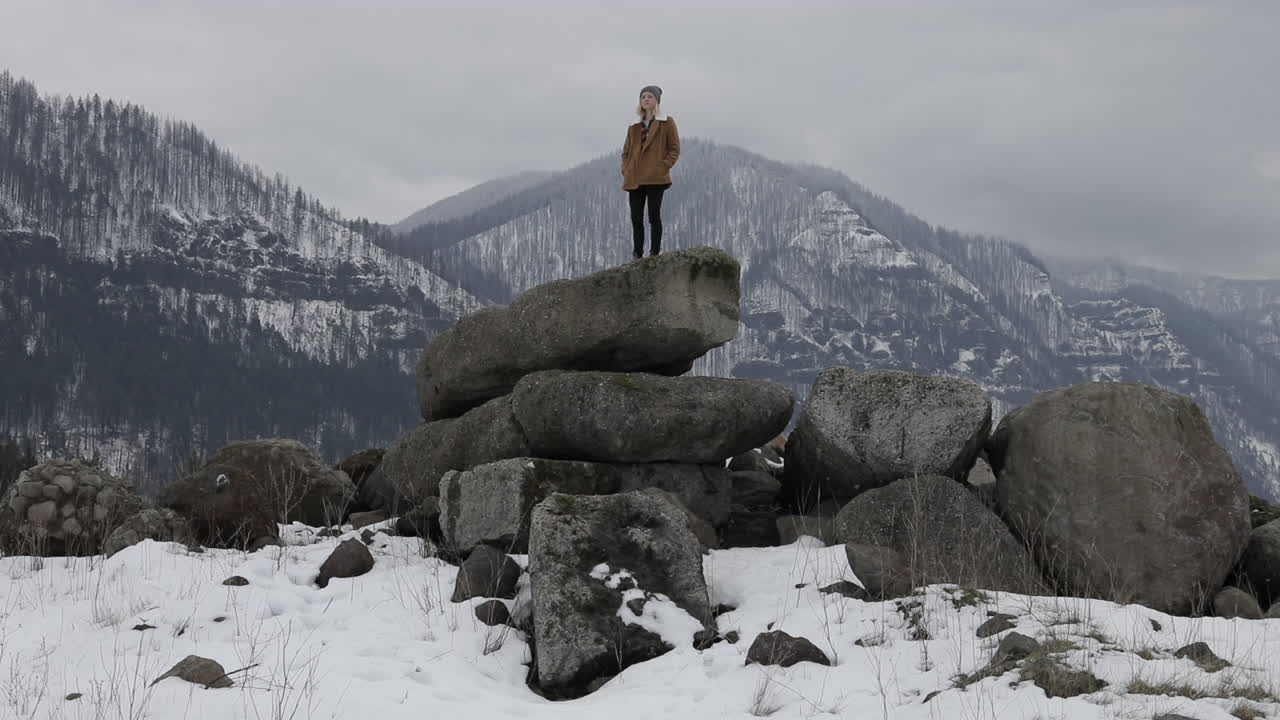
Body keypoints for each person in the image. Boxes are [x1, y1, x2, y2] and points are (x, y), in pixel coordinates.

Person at [621, 85, 680, 259]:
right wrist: (626, 169)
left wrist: (662, 167)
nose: (646, 99)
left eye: (649, 97)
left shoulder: (666, 122)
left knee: (654, 217)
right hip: (635, 178)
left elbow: (674, 149)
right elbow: (626, 151)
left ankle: (654, 254)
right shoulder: (633, 125)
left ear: (657, 101)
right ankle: (637, 254)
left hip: (656, 178)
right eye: (643, 97)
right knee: (636, 219)